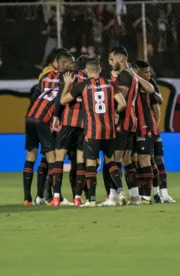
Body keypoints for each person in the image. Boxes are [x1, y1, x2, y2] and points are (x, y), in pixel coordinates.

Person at [60, 58, 127, 207]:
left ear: (86, 71)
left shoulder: (82, 85)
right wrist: (115, 113)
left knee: (90, 163)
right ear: (100, 70)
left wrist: (67, 85)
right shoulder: (110, 83)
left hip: (92, 130)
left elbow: (63, 101)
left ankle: (91, 200)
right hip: (109, 129)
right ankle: (121, 191)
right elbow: (123, 103)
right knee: (110, 161)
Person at [101, 46, 155, 206]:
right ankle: (135, 196)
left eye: (112, 59)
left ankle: (114, 196)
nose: (110, 62)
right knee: (126, 160)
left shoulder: (125, 76)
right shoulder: (132, 75)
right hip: (132, 124)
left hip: (121, 123)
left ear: (121, 59)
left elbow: (121, 102)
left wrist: (113, 116)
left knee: (112, 159)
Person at [23, 52, 74, 206]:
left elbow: (34, 96)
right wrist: (56, 117)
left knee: (31, 155)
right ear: (63, 64)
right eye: (71, 63)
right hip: (44, 119)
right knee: (52, 157)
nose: (73, 66)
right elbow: (60, 100)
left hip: (30, 116)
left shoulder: (45, 77)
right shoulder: (65, 80)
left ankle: (28, 198)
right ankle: (52, 196)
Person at [134, 61, 176, 204]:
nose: (149, 74)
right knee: (147, 161)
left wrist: (156, 128)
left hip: (151, 128)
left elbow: (158, 102)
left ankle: (163, 193)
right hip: (139, 128)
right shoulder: (132, 83)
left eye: (149, 72)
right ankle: (155, 193)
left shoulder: (150, 83)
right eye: (146, 72)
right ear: (137, 72)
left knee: (157, 159)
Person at [49, 57, 88, 207]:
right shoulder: (90, 80)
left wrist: (56, 116)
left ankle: (57, 197)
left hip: (68, 122)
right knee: (80, 161)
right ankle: (78, 198)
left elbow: (60, 98)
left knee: (59, 158)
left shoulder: (68, 76)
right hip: (84, 124)